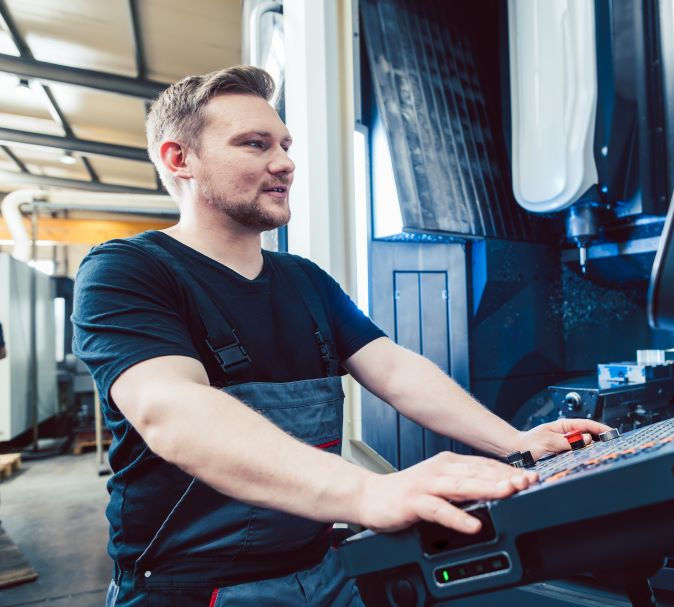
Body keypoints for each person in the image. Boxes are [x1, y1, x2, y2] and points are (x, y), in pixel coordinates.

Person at [72, 65, 608, 607]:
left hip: (326, 573)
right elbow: (173, 410)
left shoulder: (306, 281)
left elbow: (396, 370)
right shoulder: (127, 271)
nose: (284, 162)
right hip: (193, 590)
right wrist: (368, 491)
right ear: (179, 158)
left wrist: (513, 442)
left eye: (284, 144)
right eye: (255, 145)